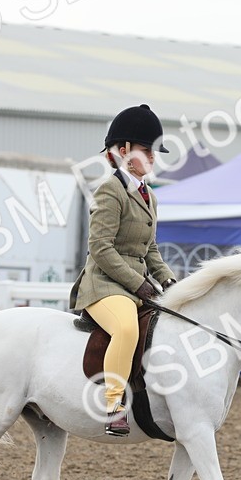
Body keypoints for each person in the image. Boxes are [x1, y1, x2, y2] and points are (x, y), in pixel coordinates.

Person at [69, 104, 177, 436]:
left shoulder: (149, 196)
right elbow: (100, 248)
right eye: (147, 149)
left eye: (155, 151)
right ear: (124, 150)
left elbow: (150, 248)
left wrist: (168, 279)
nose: (153, 157)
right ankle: (114, 404)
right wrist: (138, 283)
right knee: (127, 329)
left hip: (135, 285)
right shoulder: (109, 190)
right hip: (103, 285)